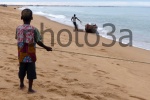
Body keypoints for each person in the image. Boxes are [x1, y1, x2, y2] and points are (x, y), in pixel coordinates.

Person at [15, 9, 52, 93]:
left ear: (21, 17)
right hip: (31, 55)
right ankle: (30, 89)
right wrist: (46, 47)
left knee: (22, 69)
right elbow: (38, 41)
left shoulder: (18, 28)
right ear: (32, 18)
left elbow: (17, 38)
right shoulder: (34, 29)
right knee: (31, 71)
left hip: (21, 54)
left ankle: (21, 84)